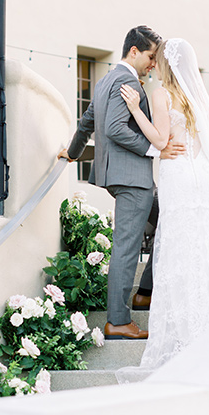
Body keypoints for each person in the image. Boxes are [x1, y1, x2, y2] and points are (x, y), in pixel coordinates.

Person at [116, 38, 209, 380]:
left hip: (177, 174)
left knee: (178, 251)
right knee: (205, 248)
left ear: (164, 64)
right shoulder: (197, 95)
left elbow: (161, 140)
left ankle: (188, 331)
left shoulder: (160, 94)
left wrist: (134, 109)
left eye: (156, 60)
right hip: (201, 176)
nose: (153, 65)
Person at [58, 26, 185, 340]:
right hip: (132, 179)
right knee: (127, 249)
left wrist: (72, 153)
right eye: (151, 57)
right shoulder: (127, 80)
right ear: (134, 51)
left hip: (122, 176)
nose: (154, 64)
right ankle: (117, 320)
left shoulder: (105, 81)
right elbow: (114, 129)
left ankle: (145, 292)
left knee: (172, 221)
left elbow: (87, 120)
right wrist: (156, 148)